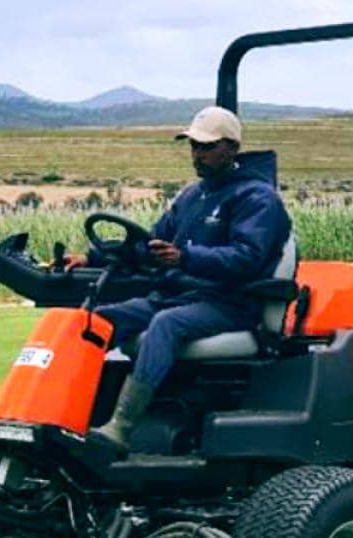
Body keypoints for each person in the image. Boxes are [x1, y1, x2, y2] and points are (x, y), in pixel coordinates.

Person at [64, 106, 292, 449]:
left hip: (230, 303)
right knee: (94, 321)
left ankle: (120, 427)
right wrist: (92, 258)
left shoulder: (258, 199)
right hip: (177, 297)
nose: (198, 154)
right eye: (194, 146)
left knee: (166, 325)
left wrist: (185, 258)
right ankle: (61, 410)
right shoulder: (192, 196)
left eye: (207, 147)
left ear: (232, 148)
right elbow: (150, 245)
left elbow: (246, 258)